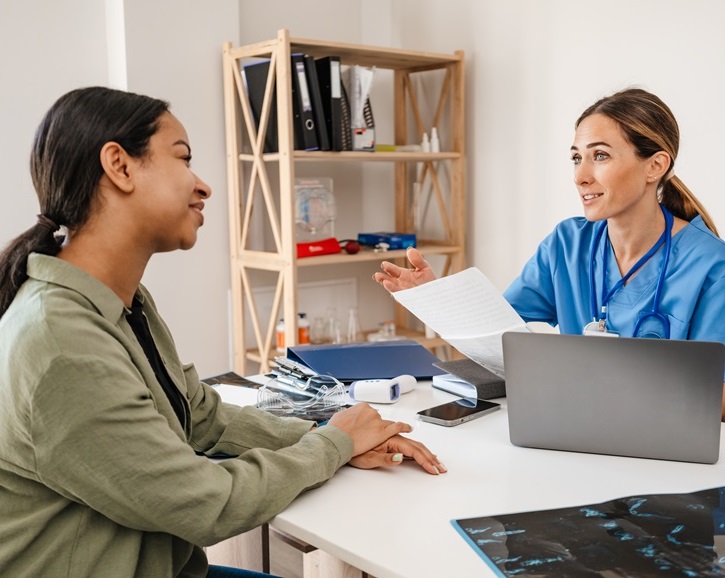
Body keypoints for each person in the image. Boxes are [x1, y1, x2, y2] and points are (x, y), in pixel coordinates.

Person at [0, 86, 447, 578]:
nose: (203, 185)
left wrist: (333, 435)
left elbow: (200, 416)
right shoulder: (61, 345)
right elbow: (206, 503)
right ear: (120, 166)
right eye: (183, 158)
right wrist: (333, 445)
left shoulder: (124, 303)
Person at [374, 87, 725, 419]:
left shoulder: (711, 265)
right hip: (572, 431)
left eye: (600, 156)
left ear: (655, 166)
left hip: (663, 451)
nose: (581, 176)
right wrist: (436, 299)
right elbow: (499, 333)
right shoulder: (567, 244)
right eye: (576, 158)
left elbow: (718, 401)